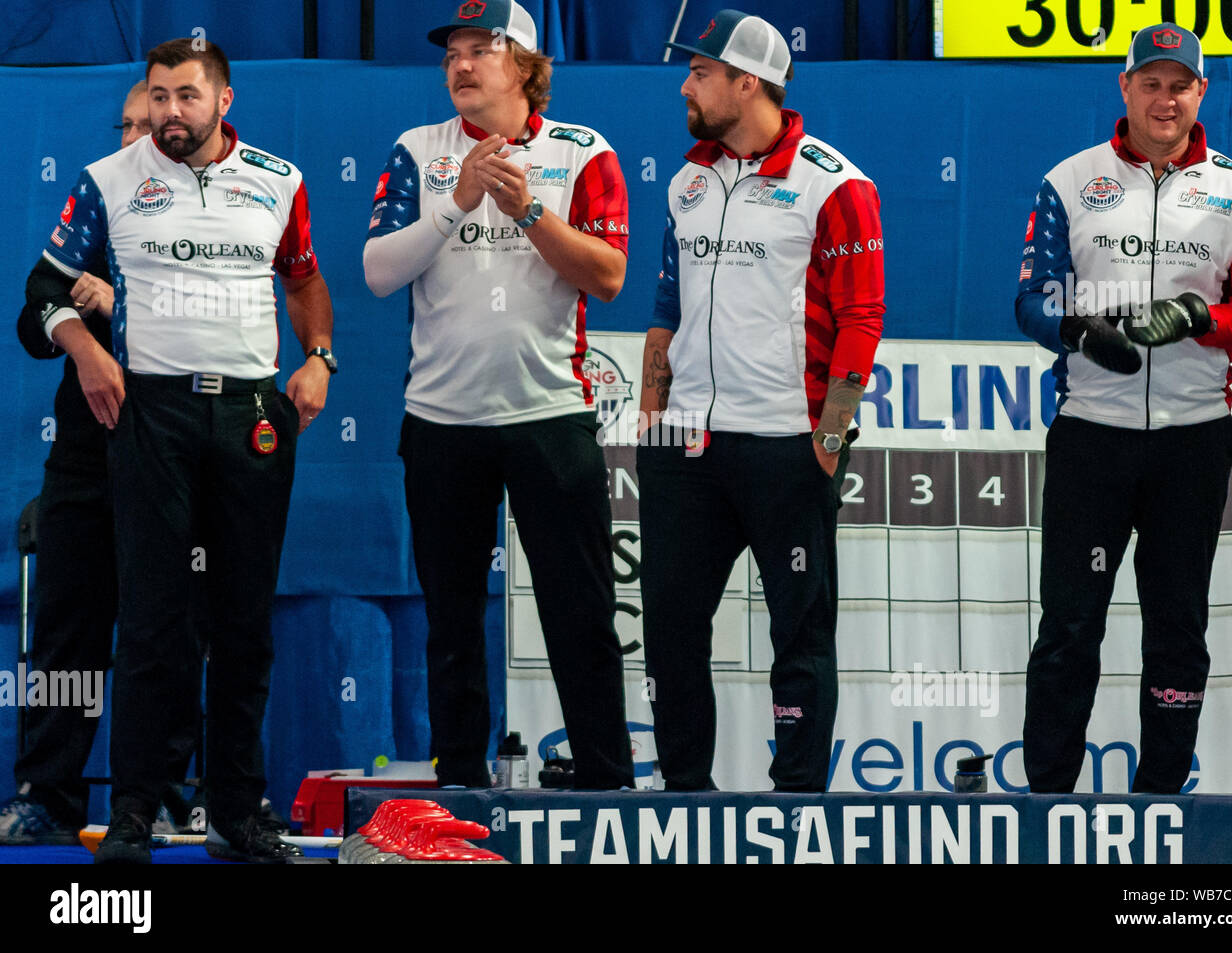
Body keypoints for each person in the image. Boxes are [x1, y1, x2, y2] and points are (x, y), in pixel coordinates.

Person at [23, 38, 335, 862]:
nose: (169, 112)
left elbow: (303, 279)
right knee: (156, 619)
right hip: (150, 413)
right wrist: (91, 353)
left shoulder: (280, 179)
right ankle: (132, 813)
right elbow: (43, 289)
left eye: (186, 96)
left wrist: (321, 358)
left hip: (253, 413)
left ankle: (237, 807)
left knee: (242, 620)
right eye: (158, 96)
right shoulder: (109, 177)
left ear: (222, 101)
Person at [363, 0, 634, 790]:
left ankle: (605, 778)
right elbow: (379, 271)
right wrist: (457, 203)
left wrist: (528, 209)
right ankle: (460, 782)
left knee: (580, 610)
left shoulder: (584, 153)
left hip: (550, 415)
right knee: (451, 619)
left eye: (482, 49)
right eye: (452, 51)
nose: (460, 63)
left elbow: (608, 278)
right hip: (443, 421)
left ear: (525, 64)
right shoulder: (418, 150)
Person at [1016, 23, 1232, 794]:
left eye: (1181, 85)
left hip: (1193, 441)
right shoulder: (1070, 180)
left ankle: (1162, 799)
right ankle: (1047, 800)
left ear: (1202, 93)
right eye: (1151, 82)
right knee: (1068, 628)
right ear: (1124, 86)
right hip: (1091, 438)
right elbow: (1029, 300)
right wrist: (1077, 331)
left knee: (1177, 629)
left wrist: (1201, 319)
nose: (1165, 99)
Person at [638, 9, 885, 791]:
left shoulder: (835, 184)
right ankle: (684, 794)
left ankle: (798, 800)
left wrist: (831, 434)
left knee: (800, 634)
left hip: (787, 441)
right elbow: (667, 305)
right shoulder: (687, 180)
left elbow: (862, 315)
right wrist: (653, 407)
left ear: (748, 84)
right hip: (686, 447)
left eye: (700, 73)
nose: (686, 84)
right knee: (672, 630)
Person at [1, 82, 201, 846]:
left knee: (169, 631)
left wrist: (120, 303)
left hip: (179, 453)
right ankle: (48, 791)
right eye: (126, 122)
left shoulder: (205, 217)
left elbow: (226, 325)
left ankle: (164, 791)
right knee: (65, 635)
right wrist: (71, 311)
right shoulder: (88, 213)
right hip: (87, 460)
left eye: (148, 122)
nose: (135, 134)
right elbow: (29, 321)